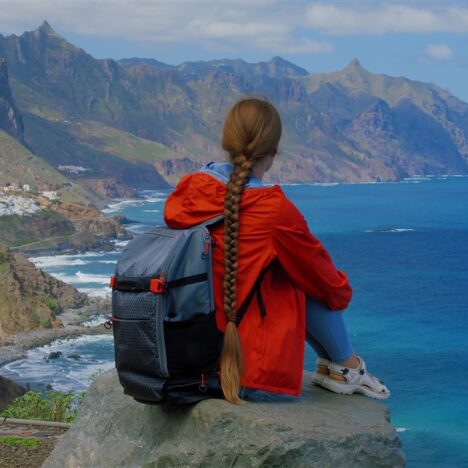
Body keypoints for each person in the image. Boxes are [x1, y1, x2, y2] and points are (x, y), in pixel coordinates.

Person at [163, 97, 390, 403]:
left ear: (227, 142)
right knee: (297, 275)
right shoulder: (273, 210)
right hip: (233, 370)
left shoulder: (189, 190)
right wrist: (343, 290)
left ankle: (338, 366)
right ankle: (347, 366)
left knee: (279, 267)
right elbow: (328, 285)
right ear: (273, 152)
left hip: (177, 356)